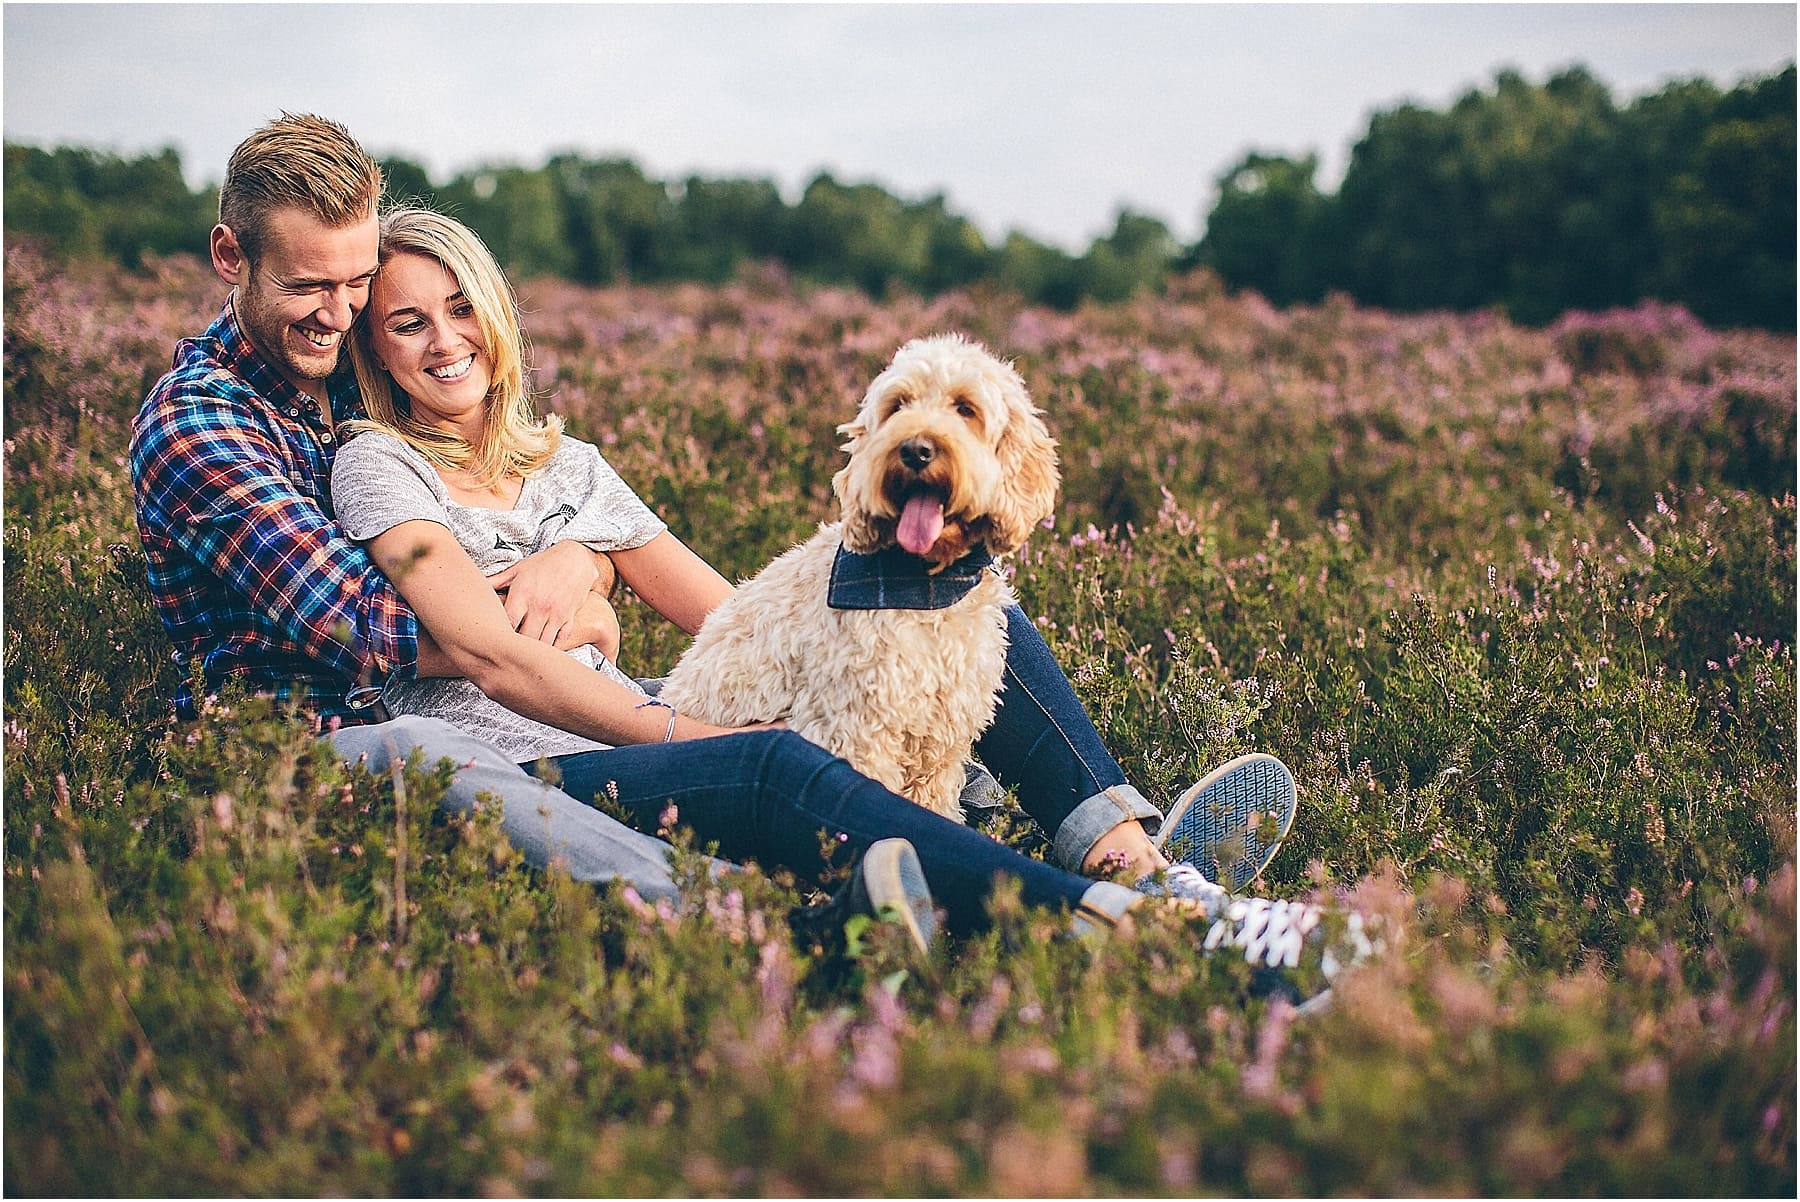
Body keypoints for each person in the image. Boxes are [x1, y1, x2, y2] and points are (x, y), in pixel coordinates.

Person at [128, 113, 1314, 960]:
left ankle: (1125, 849)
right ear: (233, 259)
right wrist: (615, 641)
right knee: (765, 763)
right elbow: (424, 639)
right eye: (335, 299)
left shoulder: (343, 386)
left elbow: (728, 609)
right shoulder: (289, 438)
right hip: (446, 742)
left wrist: (582, 565)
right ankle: (1120, 926)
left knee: (955, 595)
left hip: (592, 699)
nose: (353, 320)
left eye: (370, 292)